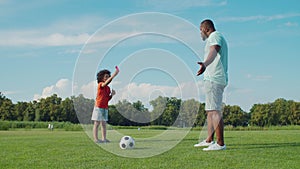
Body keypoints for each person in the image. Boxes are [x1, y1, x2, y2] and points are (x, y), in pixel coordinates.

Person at [194, 19, 228, 151]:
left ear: (206, 28)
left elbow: (214, 50)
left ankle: (220, 144)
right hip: (211, 79)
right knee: (210, 111)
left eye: (200, 30)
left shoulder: (215, 36)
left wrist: (205, 64)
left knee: (214, 110)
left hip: (215, 78)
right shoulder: (213, 38)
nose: (200, 33)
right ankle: (209, 140)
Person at [92, 68, 119, 143]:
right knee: (97, 123)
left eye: (108, 76)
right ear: (102, 78)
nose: (107, 78)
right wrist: (114, 75)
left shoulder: (108, 88)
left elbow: (107, 99)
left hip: (105, 107)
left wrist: (112, 95)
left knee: (103, 124)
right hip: (98, 106)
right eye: (106, 76)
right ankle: (96, 139)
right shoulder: (100, 85)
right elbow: (106, 83)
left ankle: (104, 139)